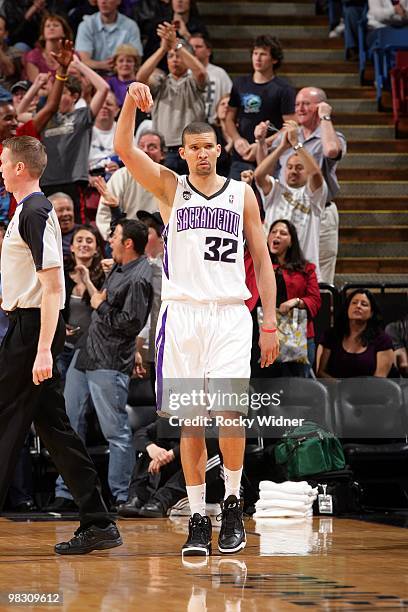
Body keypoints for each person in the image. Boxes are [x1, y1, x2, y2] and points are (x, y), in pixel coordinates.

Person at [114, 82, 279, 557]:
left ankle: (231, 503)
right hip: (183, 316)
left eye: (209, 146)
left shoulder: (243, 194)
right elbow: (124, 147)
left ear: (219, 148)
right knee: (191, 423)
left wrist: (268, 322)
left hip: (230, 315)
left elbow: (263, 263)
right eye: (194, 147)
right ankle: (197, 516)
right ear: (182, 152)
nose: (203, 154)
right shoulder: (170, 187)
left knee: (229, 414)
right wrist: (129, 102)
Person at [0, 135, 122, 553]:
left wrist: (42, 350)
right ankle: (99, 521)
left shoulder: (36, 210)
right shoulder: (25, 211)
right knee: (54, 430)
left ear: (19, 167)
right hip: (26, 325)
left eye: (3, 161)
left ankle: (99, 520)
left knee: (5, 420)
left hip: (33, 331)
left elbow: (52, 288)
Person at [52, 219, 153, 509]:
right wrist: (90, 284)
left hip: (108, 360)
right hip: (85, 356)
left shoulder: (139, 277)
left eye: (115, 236)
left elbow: (130, 323)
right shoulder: (121, 268)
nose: (110, 240)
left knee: (115, 432)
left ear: (128, 243)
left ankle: (122, 496)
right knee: (69, 426)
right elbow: (100, 301)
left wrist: (101, 305)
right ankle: (68, 492)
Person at [267, 87, 347, 284]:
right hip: (286, 209)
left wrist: (325, 118)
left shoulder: (331, 135)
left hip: (318, 209)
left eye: (306, 104)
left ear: (319, 107)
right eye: (297, 104)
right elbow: (259, 158)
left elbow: (330, 151)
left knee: (320, 279)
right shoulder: (290, 134)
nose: (300, 109)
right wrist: (262, 139)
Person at [40, 53, 110, 223]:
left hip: (73, 180)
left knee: (76, 224)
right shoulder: (44, 117)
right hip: (46, 181)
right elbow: (19, 114)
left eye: (63, 92)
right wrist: (36, 85)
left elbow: (103, 88)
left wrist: (78, 65)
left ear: (74, 96)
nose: (56, 97)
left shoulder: (82, 115)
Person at [254, 125, 327, 280]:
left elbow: (315, 173)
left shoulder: (314, 195)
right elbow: (259, 174)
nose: (293, 171)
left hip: (303, 270)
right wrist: (282, 147)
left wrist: (296, 144)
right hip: (273, 270)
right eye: (290, 167)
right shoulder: (275, 189)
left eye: (299, 168)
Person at [249, 219, 321, 378]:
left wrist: (296, 301)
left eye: (283, 233)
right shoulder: (256, 265)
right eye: (273, 232)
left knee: (298, 391)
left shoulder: (306, 269)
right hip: (261, 335)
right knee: (263, 387)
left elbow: (315, 300)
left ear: (291, 241)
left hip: (297, 337)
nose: (277, 235)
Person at [136, 21, 207, 174]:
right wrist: (163, 48)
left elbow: (201, 73)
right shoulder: (161, 82)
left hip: (192, 149)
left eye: (178, 56)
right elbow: (140, 78)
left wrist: (176, 44)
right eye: (171, 56)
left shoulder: (193, 81)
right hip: (164, 151)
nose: (174, 59)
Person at [225, 35, 296, 180]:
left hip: (270, 156)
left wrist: (263, 144)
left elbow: (290, 126)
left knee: (266, 200)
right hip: (241, 156)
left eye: (263, 54)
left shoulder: (283, 88)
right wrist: (237, 139)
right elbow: (229, 118)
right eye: (255, 53)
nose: (257, 58)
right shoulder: (240, 83)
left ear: (274, 59)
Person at [95, 130, 164, 241]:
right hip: (124, 240)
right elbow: (104, 215)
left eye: (152, 147)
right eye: (141, 146)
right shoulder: (121, 176)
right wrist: (115, 239)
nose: (145, 150)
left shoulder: (171, 179)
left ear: (162, 154)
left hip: (159, 242)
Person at [58, 224, 106, 382]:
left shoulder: (104, 277)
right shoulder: (61, 276)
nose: (84, 244)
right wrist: (60, 327)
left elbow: (102, 308)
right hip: (64, 347)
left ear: (97, 249)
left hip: (92, 349)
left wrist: (87, 280)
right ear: (71, 247)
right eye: (79, 240)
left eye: (89, 241)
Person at [317, 289, 394, 379]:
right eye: (354, 303)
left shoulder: (382, 339)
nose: (358, 306)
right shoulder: (331, 335)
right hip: (335, 389)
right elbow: (321, 372)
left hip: (371, 390)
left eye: (364, 304)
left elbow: (380, 378)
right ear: (347, 309)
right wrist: (340, 387)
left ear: (371, 313)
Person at [75, 0, 142, 74]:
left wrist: (120, 65)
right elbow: (84, 61)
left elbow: (137, 58)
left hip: (122, 74)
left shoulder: (131, 26)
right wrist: (103, 65)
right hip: (93, 74)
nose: (103, 1)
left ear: (118, 1)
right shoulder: (86, 25)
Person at [188, 33, 232, 124]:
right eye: (191, 47)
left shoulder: (220, 73)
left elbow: (229, 98)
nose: (194, 50)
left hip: (213, 124)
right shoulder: (184, 73)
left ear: (208, 51)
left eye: (198, 46)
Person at [24, 13, 73, 81]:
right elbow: (35, 85)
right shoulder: (33, 56)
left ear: (64, 33)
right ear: (43, 34)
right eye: (47, 26)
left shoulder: (72, 55)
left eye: (55, 25)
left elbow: (73, 84)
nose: (51, 28)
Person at [107, 44, 141, 108]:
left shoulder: (140, 82)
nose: (125, 64)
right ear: (115, 64)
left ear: (135, 64)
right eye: (121, 61)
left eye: (129, 61)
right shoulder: (110, 82)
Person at [211, 94, 233, 178]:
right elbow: (212, 159)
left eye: (229, 104)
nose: (226, 106)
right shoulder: (211, 131)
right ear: (217, 110)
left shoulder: (242, 130)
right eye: (222, 104)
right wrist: (230, 145)